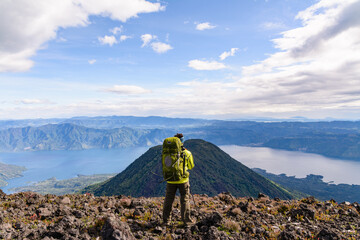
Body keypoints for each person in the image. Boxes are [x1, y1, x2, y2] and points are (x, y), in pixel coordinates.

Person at [162, 133, 195, 226]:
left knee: (168, 199)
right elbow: (191, 166)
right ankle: (186, 221)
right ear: (182, 141)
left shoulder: (168, 152)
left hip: (170, 179)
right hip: (183, 180)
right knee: (184, 199)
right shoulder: (187, 153)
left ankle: (166, 221)